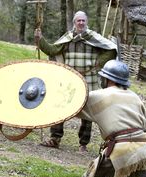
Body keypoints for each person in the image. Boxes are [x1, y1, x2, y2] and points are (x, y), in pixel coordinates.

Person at [34, 11, 117, 152]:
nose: (81, 23)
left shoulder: (93, 38)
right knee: (60, 105)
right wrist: (40, 40)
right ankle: (55, 138)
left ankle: (83, 144)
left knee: (88, 112)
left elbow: (111, 50)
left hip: (88, 79)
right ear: (74, 22)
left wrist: (98, 63)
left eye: (83, 21)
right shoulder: (68, 38)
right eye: (78, 21)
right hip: (70, 79)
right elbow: (52, 50)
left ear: (86, 22)